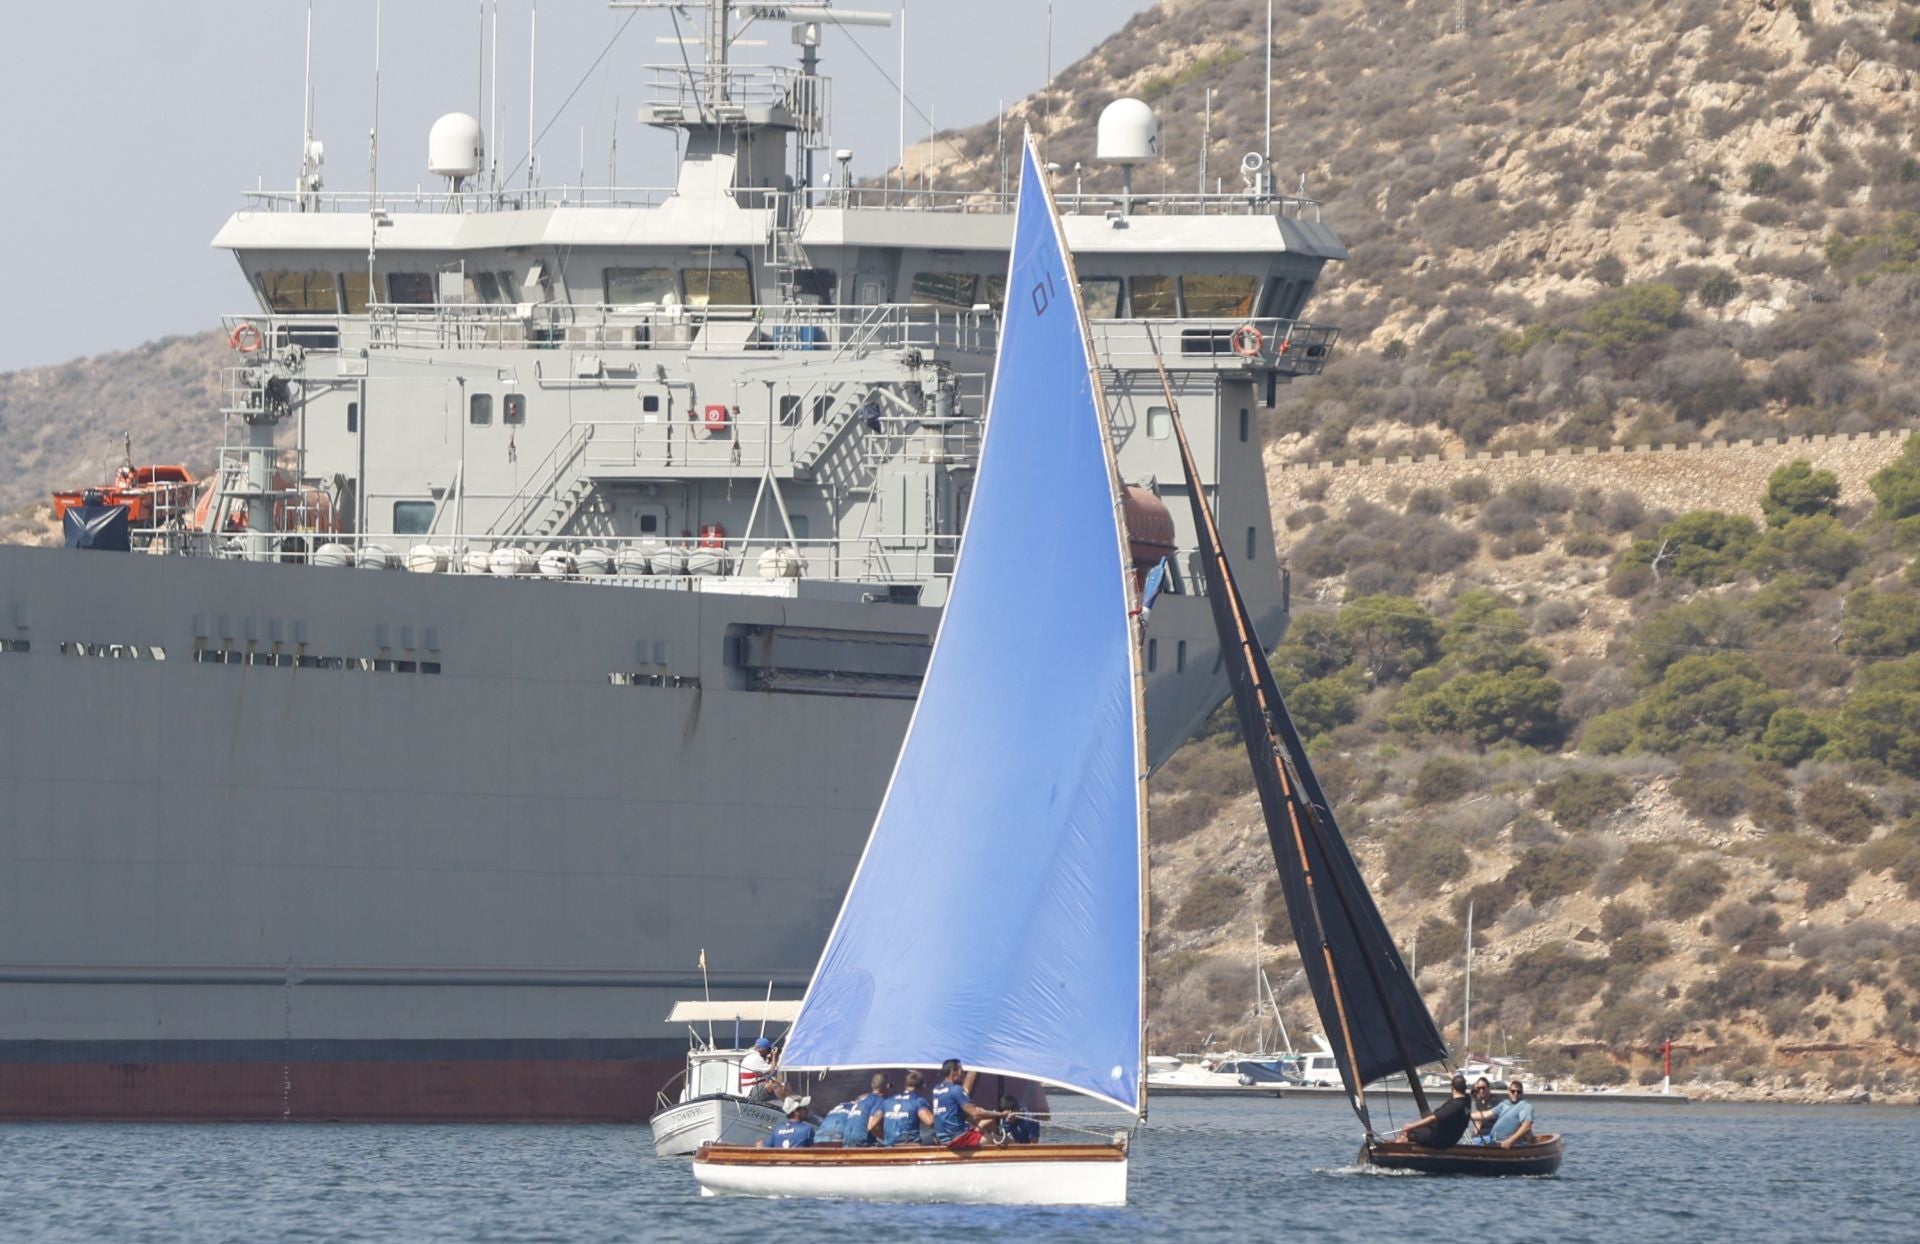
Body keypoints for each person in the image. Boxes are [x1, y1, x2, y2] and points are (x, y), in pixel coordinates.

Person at [931, 1058, 1008, 1147]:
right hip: (958, 1139)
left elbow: (952, 1109)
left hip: (943, 1138)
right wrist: (1001, 1115)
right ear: (953, 1071)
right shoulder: (956, 1090)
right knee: (1000, 1141)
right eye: (962, 1071)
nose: (963, 1075)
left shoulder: (936, 1089)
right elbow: (975, 1114)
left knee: (988, 1122)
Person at [1398, 1074, 1472, 1148]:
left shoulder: (1453, 1106)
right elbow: (1459, 1086)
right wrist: (1452, 1078)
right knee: (1416, 1130)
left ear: (1452, 1087)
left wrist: (1412, 1126)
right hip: (1449, 1138)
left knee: (1407, 1133)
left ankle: (1395, 1149)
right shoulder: (1467, 1100)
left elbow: (1432, 1118)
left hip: (1439, 1140)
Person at [880, 1071, 936, 1146]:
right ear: (922, 1086)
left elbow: (873, 1125)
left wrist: (886, 1138)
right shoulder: (918, 1100)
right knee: (933, 1138)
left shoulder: (888, 1101)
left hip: (889, 1145)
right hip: (910, 1145)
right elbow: (929, 1121)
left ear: (906, 1085)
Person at [1483, 1080, 1537, 1148]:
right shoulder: (1504, 1104)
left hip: (1509, 1144)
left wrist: (1510, 1141)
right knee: (1473, 1141)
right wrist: (1468, 1114)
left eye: (1518, 1092)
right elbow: (1486, 1114)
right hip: (1493, 1140)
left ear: (1522, 1093)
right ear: (1509, 1091)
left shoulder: (1525, 1106)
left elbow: (1527, 1126)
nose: (1515, 1093)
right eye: (1513, 1091)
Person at [846, 1073, 891, 1148]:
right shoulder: (880, 1100)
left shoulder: (860, 1100)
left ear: (872, 1085)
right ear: (888, 1086)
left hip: (847, 1141)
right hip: (863, 1142)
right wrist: (887, 1139)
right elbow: (871, 1126)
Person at [740, 1036, 784, 1102]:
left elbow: (768, 1068)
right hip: (751, 1093)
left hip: (755, 1089)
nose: (769, 1052)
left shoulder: (751, 1056)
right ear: (762, 1049)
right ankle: (789, 1105)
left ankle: (790, 1101)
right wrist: (774, 1057)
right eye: (768, 1050)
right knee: (773, 1084)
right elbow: (771, 1072)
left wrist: (771, 1059)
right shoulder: (755, 1058)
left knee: (784, 1086)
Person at [1465, 1077, 1497, 1141]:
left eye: (1483, 1088)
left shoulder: (1495, 1101)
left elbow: (1487, 1115)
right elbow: (1478, 1122)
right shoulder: (1478, 1102)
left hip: (1492, 1135)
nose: (1481, 1090)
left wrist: (1466, 1116)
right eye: (1479, 1088)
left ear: (1488, 1088)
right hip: (1480, 1136)